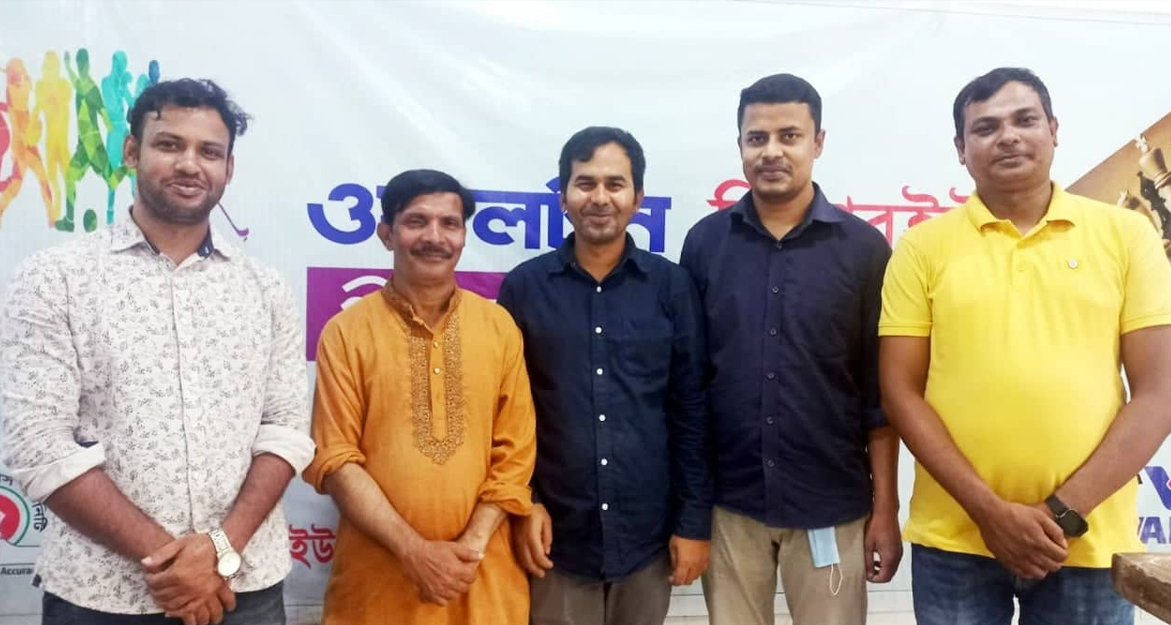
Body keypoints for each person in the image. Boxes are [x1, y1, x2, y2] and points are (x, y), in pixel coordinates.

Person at [0, 78, 312, 625]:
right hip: (101, 594)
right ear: (131, 151)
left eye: (209, 152)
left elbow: (285, 429)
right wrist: (178, 566)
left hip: (245, 587)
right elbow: (39, 445)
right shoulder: (55, 279)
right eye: (169, 145)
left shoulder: (265, 289)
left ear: (229, 169)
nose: (190, 164)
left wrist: (219, 549)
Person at [879, 67, 1171, 625]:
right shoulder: (923, 247)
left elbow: (1161, 397)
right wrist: (990, 513)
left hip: (1086, 538)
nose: (1008, 137)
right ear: (961, 149)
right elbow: (900, 392)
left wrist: (1060, 513)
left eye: (1025, 120)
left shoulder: (1126, 235)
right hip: (955, 540)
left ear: (1054, 130)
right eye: (986, 127)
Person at [679, 73, 900, 625]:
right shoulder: (705, 243)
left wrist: (886, 510)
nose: (772, 151)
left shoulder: (864, 249)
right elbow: (689, 384)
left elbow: (879, 396)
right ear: (739, 145)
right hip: (730, 505)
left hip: (831, 502)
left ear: (818, 142)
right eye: (757, 138)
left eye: (790, 136)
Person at [498, 126, 712, 625]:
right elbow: (504, 413)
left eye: (615, 184)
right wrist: (525, 502)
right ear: (563, 198)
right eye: (585, 183)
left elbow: (692, 410)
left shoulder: (671, 287)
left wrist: (694, 523)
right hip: (552, 538)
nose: (599, 198)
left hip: (647, 538)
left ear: (638, 198)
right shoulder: (524, 288)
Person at [303, 168, 536, 624]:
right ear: (386, 234)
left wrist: (468, 549)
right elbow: (334, 458)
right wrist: (413, 552)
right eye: (416, 221)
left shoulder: (498, 327)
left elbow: (516, 454)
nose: (434, 237)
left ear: (463, 236)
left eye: (449, 223)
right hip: (378, 584)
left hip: (481, 579)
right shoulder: (346, 332)